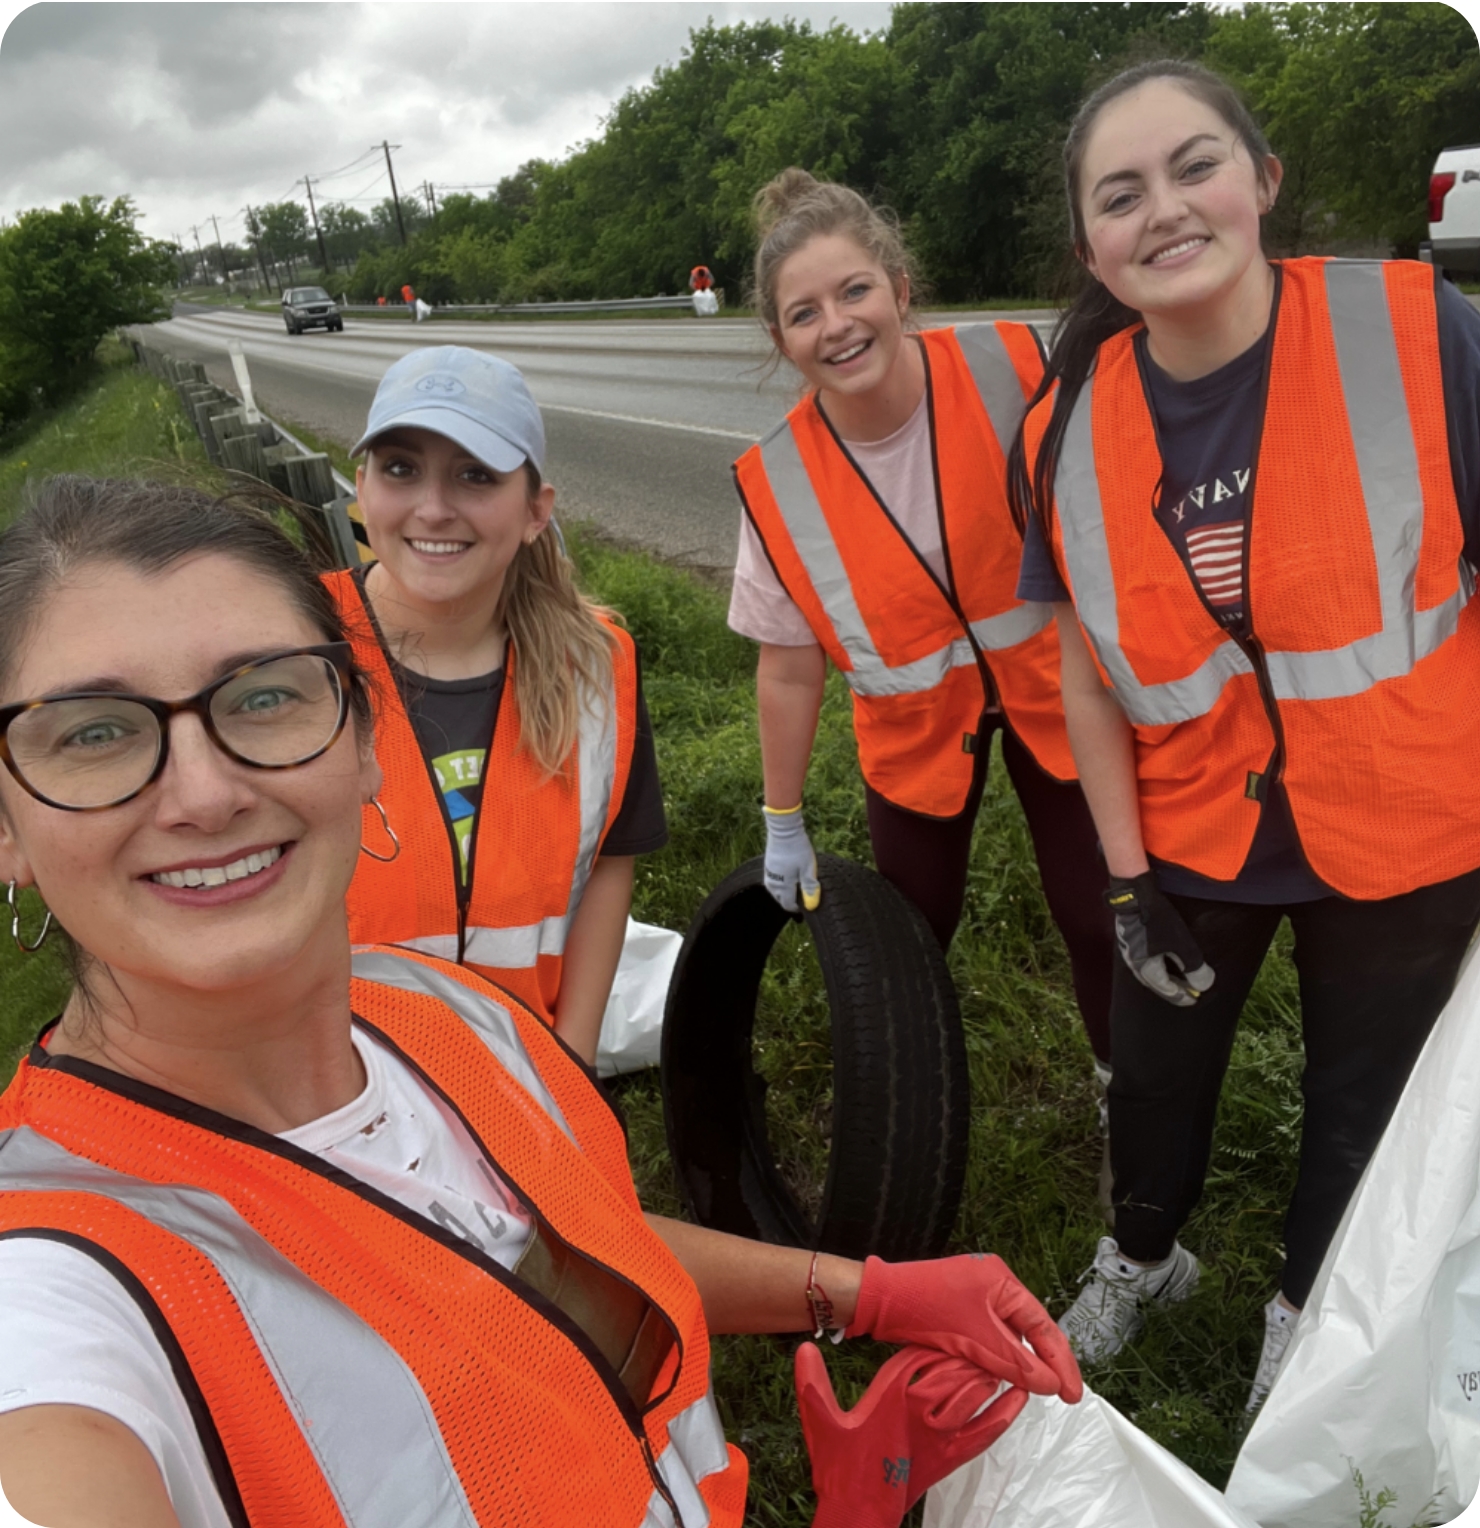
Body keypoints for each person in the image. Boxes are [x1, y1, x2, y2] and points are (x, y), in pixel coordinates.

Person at [0, 477, 1080, 1526]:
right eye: (94, 731)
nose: (205, 791)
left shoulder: (447, 1012)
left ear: (366, 742)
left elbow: (553, 1245)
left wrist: (870, 1294)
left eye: (265, 694)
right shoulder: (54, 1285)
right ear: (8, 828)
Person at [1008, 59, 1480, 1413]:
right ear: (1091, 241)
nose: (1164, 208)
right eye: (1121, 192)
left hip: (1410, 816)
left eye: (1195, 164)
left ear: (1263, 180)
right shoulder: (1063, 421)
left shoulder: (1419, 332)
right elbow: (1087, 676)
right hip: (1195, 827)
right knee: (1152, 1081)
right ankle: (1144, 1258)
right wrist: (1119, 874)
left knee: (1360, 1099)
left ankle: (1302, 1307)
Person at [729, 168, 1117, 1091]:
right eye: (805, 313)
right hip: (911, 733)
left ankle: (1121, 1092)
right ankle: (913, 1107)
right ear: (781, 342)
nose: (839, 325)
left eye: (855, 290)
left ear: (902, 289)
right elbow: (788, 672)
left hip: (1064, 692)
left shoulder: (1018, 365)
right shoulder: (774, 480)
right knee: (909, 927)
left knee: (1099, 912)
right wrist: (782, 821)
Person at [328, 346, 667, 1066]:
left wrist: (570, 1065)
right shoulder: (295, 650)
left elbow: (610, 866)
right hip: (341, 1096)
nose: (433, 507)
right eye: (400, 468)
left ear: (536, 511)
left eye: (475, 475)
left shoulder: (594, 667)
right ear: (361, 486)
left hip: (528, 1077)